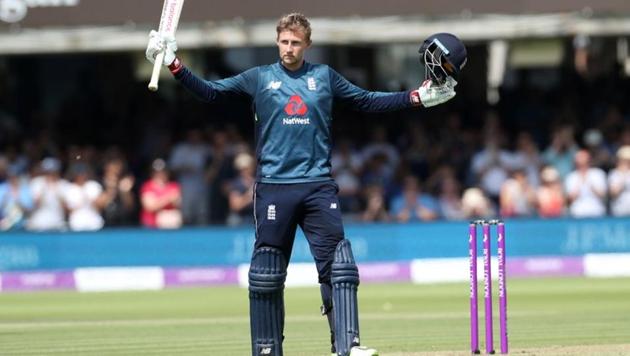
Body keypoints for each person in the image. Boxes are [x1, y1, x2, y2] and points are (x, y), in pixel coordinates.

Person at [146, 13, 463, 356]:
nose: (288, 48)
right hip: (274, 186)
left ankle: (346, 345)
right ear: (277, 41)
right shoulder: (259, 77)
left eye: (295, 42)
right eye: (284, 41)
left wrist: (415, 97)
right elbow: (210, 93)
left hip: (317, 186)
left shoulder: (324, 77)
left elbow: (367, 100)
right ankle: (267, 349)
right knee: (267, 272)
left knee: (339, 268)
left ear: (307, 45)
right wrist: (175, 64)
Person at [140, 158, 183, 229]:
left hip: (171, 226)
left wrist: (159, 202)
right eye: (157, 172)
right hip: (150, 226)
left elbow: (178, 203)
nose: (160, 174)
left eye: (163, 171)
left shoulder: (174, 186)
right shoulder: (147, 186)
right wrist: (168, 198)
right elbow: (149, 206)